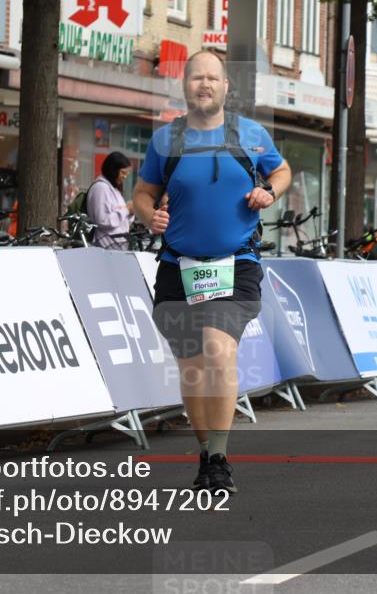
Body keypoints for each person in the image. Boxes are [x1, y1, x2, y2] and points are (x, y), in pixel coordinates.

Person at [133, 50, 292, 494]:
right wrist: (150, 216)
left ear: (225, 87)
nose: (204, 84)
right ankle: (207, 455)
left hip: (236, 263)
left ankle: (219, 459)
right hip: (176, 266)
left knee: (218, 352)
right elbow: (143, 193)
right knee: (192, 369)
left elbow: (280, 170)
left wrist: (268, 192)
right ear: (184, 86)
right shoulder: (167, 140)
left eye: (212, 78)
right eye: (196, 77)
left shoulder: (250, 134)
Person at [87, 151, 134, 250]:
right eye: (123, 173)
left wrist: (131, 212)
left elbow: (122, 220)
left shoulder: (115, 189)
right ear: (113, 170)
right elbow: (103, 220)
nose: (125, 177)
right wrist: (126, 210)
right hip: (106, 245)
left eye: (127, 174)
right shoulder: (101, 188)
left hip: (119, 244)